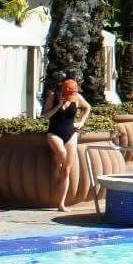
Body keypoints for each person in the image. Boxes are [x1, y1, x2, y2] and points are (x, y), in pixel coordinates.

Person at [43, 78, 91, 211]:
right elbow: (45, 116)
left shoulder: (76, 97)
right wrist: (58, 105)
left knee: (67, 170)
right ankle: (57, 164)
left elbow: (87, 107)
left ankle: (61, 204)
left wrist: (82, 122)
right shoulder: (53, 96)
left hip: (70, 133)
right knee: (62, 153)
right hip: (54, 132)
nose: (71, 97)